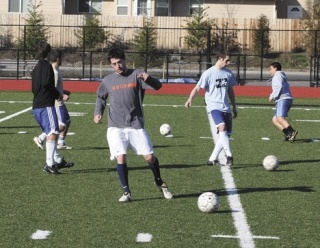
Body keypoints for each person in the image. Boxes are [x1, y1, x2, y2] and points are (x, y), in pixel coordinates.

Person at [93, 47, 173, 202]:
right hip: (115, 125)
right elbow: (100, 98)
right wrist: (98, 113)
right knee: (120, 157)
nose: (118, 66)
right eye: (114, 64)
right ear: (111, 65)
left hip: (135, 124)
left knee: (149, 157)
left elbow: (158, 86)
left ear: (124, 60)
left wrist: (148, 78)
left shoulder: (136, 74)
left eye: (119, 62)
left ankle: (159, 181)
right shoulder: (107, 80)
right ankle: (126, 192)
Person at [185, 48, 238, 166]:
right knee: (222, 128)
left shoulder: (228, 73)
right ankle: (229, 155)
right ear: (220, 59)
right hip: (214, 107)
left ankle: (212, 159)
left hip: (226, 108)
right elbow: (198, 88)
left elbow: (230, 90)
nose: (228, 63)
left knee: (225, 136)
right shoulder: (208, 73)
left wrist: (234, 107)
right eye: (227, 60)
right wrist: (190, 99)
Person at [31, 42, 74, 174]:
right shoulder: (47, 67)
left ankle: (57, 160)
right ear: (48, 53)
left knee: (53, 132)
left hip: (37, 105)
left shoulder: (36, 68)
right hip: (46, 105)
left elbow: (33, 88)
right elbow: (46, 83)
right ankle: (49, 164)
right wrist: (57, 95)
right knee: (53, 133)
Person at [268, 62, 298, 142]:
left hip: (283, 99)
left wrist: (272, 96)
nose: (269, 71)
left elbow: (279, 87)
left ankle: (292, 132)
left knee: (280, 118)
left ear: (275, 68)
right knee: (275, 119)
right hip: (286, 99)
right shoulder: (281, 75)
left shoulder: (277, 76)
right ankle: (288, 134)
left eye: (270, 69)